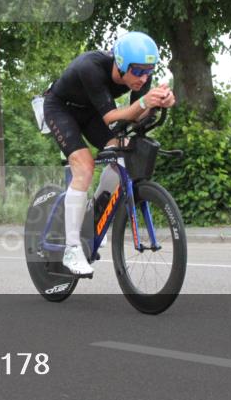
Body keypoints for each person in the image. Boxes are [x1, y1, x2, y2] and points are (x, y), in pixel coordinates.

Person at [43, 31, 176, 275]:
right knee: (84, 166)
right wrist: (144, 103)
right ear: (121, 64)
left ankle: (93, 214)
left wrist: (158, 103)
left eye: (148, 71)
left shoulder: (141, 78)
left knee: (121, 152)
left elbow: (136, 116)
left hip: (91, 112)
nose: (143, 77)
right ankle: (71, 249)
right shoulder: (91, 67)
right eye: (138, 70)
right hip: (61, 108)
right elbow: (112, 117)